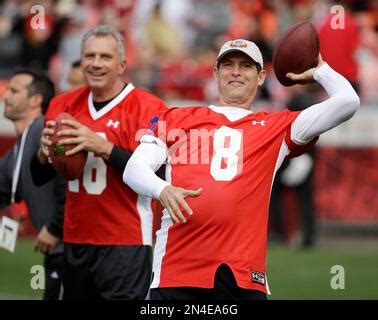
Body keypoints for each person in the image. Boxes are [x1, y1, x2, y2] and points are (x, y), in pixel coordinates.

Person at [123, 39, 360, 300]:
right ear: (215, 73)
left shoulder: (276, 126)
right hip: (177, 271)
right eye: (228, 65)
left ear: (260, 77)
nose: (236, 71)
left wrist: (319, 70)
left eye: (245, 66)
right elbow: (133, 168)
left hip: (243, 276)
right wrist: (162, 189)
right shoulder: (177, 118)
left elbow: (347, 101)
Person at [32, 25, 167, 300]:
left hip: (125, 242)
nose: (95, 63)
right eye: (89, 56)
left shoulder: (149, 107)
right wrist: (45, 155)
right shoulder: (62, 105)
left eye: (105, 57)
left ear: (122, 64)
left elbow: (159, 175)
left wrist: (102, 147)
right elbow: (40, 177)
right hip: (75, 238)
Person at [0, 68, 65, 300]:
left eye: (14, 91)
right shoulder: (20, 145)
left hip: (72, 254)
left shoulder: (45, 130)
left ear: (35, 100)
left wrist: (56, 227)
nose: (6, 96)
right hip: (56, 254)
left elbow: (72, 182)